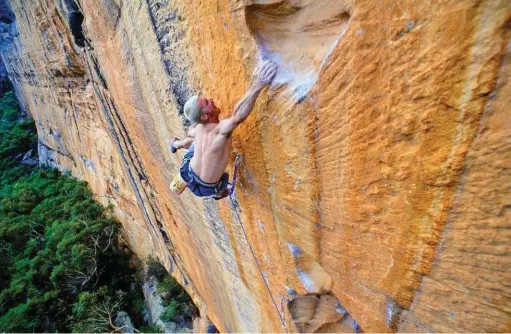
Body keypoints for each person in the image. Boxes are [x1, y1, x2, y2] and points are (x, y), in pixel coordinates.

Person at [169, 60, 278, 200]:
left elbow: (192, 130)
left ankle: (175, 144)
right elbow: (238, 116)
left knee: (192, 142)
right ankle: (177, 145)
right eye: (206, 103)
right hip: (209, 186)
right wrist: (259, 83)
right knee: (193, 143)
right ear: (204, 116)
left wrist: (196, 125)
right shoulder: (220, 131)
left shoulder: (198, 129)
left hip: (191, 175)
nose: (210, 99)